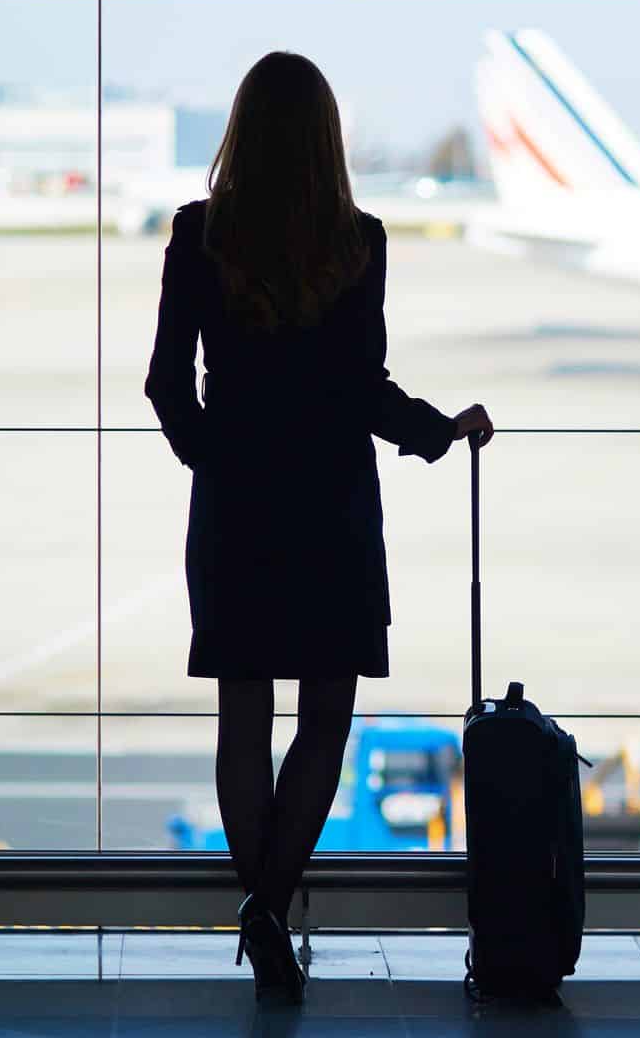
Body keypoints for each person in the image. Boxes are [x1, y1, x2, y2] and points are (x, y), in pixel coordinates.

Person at [144, 51, 494, 1005]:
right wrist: (439, 431)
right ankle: (267, 908)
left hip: (238, 507)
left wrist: (212, 455)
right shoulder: (359, 241)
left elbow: (166, 384)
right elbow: (362, 389)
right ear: (327, 138)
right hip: (331, 508)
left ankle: (262, 915)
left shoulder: (198, 235)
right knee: (324, 721)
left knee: (242, 718)